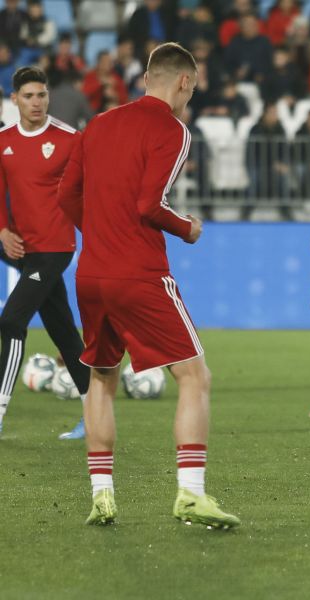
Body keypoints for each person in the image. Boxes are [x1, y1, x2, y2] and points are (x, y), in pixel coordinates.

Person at [57, 42, 240, 528]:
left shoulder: (97, 125)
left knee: (101, 377)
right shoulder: (172, 130)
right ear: (184, 81)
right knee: (194, 377)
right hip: (138, 273)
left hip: (90, 273)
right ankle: (191, 493)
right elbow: (148, 204)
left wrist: (96, 232)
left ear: (144, 79)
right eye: (193, 86)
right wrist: (187, 227)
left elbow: (65, 194)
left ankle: (102, 495)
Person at [0, 67, 88, 440]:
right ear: (15, 99)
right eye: (29, 96)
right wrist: (2, 231)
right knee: (64, 333)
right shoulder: (3, 142)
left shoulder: (70, 140)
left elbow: (91, 193)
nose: (37, 103)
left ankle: (0, 410)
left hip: (55, 248)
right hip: (23, 249)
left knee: (10, 320)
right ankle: (95, 415)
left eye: (42, 95)